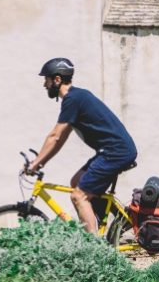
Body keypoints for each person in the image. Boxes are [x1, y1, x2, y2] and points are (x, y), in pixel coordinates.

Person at [26, 58, 139, 233]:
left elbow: (55, 135)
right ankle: (121, 221)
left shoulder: (73, 99)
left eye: (46, 80)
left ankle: (93, 248)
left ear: (57, 80)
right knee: (76, 181)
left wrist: (35, 163)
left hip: (116, 152)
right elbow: (60, 139)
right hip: (112, 151)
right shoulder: (76, 98)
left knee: (79, 195)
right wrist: (42, 161)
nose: (44, 85)